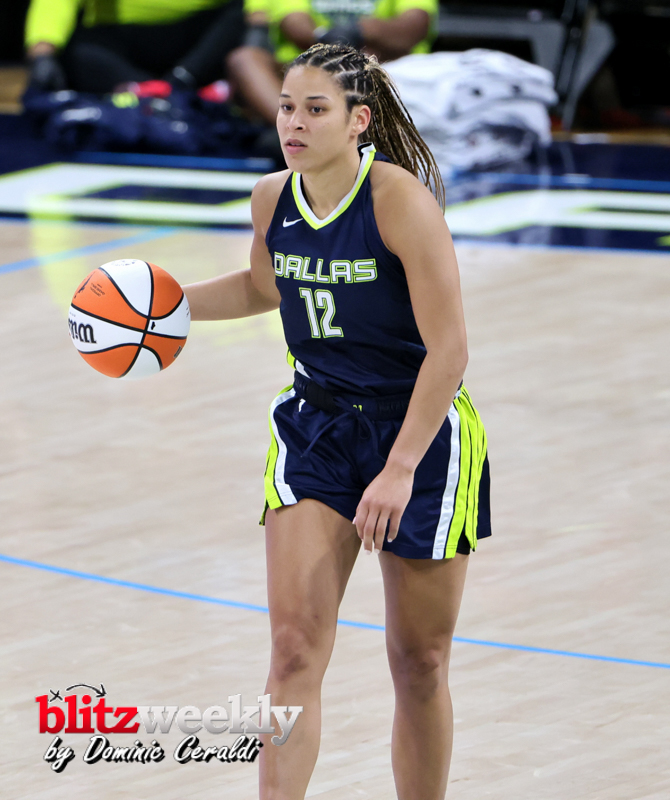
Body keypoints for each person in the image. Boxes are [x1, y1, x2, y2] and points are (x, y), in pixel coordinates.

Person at [183, 42, 491, 799]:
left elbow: (450, 352)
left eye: (315, 110)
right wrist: (161, 307)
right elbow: (265, 287)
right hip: (316, 426)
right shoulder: (272, 198)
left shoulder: (398, 203)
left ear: (358, 121)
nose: (293, 122)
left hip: (418, 433)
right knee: (292, 652)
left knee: (418, 662)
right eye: (287, 106)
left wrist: (399, 469)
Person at [227, 0, 436, 127]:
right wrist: (329, 38)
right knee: (245, 59)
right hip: (306, 71)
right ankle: (295, 129)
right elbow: (294, 23)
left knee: (367, 58)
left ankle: (355, 133)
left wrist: (360, 32)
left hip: (380, 72)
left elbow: (414, 26)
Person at [24, 0, 244, 94]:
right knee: (79, 50)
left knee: (240, 13)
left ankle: (181, 83)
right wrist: (43, 54)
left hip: (198, 45)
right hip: (122, 42)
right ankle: (155, 93)